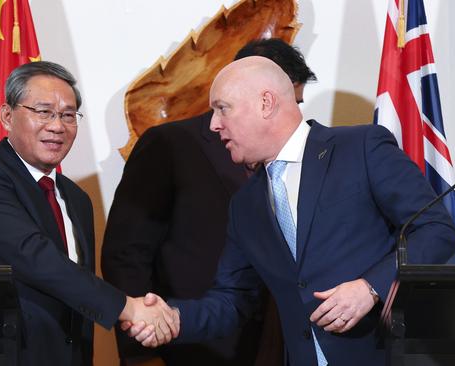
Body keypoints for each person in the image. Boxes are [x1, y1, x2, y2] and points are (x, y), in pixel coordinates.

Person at [127, 56, 455, 365]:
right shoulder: (245, 205)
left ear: (265, 103)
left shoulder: (360, 148)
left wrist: (370, 288)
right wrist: (174, 318)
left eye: (222, 109)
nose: (214, 124)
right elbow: (233, 299)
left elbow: (436, 230)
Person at [0, 61, 179, 366]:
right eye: (43, 112)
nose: (57, 125)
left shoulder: (75, 198)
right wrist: (128, 308)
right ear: (6, 115)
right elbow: (34, 256)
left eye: (68, 115)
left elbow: (76, 289)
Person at [102, 39, 315, 366]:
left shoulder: (308, 155)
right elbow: (126, 253)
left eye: (297, 102)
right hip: (194, 345)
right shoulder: (169, 144)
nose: (294, 116)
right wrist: (141, 354)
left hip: (281, 343)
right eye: (284, 100)